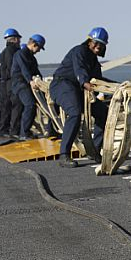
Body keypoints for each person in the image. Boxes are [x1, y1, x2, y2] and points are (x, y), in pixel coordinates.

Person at [50, 27, 110, 168]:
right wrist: (85, 82)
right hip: (62, 84)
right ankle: (64, 154)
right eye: (96, 42)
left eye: (101, 44)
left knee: (103, 113)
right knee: (75, 112)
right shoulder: (79, 51)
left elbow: (99, 80)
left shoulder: (94, 62)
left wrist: (119, 86)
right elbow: (80, 69)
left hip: (79, 90)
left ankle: (94, 150)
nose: (98, 46)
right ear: (89, 41)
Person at [11, 34, 45, 140]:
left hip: (26, 84)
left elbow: (36, 71)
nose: (39, 51)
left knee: (34, 106)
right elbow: (24, 69)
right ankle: (24, 133)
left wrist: (42, 83)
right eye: (39, 48)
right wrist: (30, 80)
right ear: (34, 45)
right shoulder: (20, 54)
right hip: (20, 84)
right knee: (30, 105)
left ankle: (26, 131)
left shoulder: (32, 58)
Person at [0, 28, 23, 138]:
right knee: (16, 105)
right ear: (14, 39)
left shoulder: (6, 51)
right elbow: (11, 67)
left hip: (6, 83)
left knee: (7, 107)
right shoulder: (11, 52)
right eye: (18, 39)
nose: (20, 41)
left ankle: (4, 130)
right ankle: (13, 131)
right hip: (11, 82)